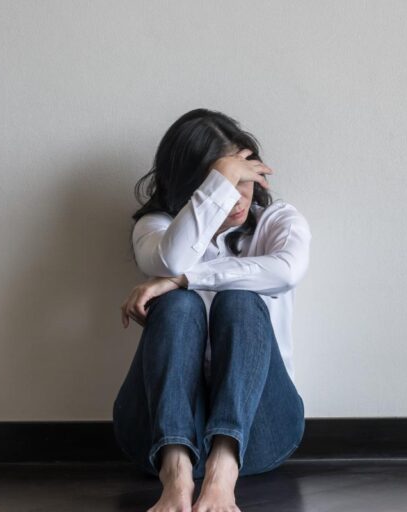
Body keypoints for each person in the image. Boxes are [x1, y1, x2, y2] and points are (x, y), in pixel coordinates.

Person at [112, 108, 311, 512]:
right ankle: (176, 476)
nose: (238, 197)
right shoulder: (154, 229)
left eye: (244, 179)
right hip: (153, 433)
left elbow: (287, 271)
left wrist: (186, 279)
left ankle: (223, 473)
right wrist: (219, 178)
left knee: (239, 299)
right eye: (223, 182)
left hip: (261, 430)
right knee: (179, 307)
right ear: (194, 186)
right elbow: (171, 261)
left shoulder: (277, 223)